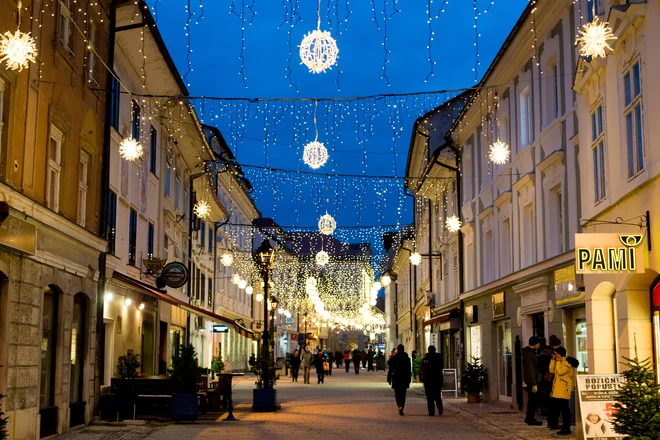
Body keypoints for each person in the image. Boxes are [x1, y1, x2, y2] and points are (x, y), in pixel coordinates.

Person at [548, 347, 578, 436]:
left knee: (565, 409)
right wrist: (553, 360)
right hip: (557, 388)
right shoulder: (558, 361)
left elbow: (561, 372)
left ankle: (566, 427)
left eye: (556, 354)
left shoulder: (567, 362)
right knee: (559, 409)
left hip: (564, 389)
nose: (555, 356)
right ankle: (562, 426)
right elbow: (551, 370)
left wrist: (557, 362)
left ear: (561, 354)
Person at [539, 335, 562, 428]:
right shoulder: (553, 355)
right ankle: (554, 423)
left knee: (549, 402)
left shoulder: (543, 352)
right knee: (555, 403)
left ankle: (550, 422)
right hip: (553, 381)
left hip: (545, 381)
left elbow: (539, 367)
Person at [522, 336, 542, 425]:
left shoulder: (529, 352)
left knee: (533, 400)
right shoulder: (529, 354)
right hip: (532, 381)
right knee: (533, 400)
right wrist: (534, 383)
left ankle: (529, 417)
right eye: (538, 343)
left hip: (531, 380)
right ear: (535, 344)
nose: (539, 345)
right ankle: (530, 418)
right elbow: (530, 369)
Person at [387, 344, 412, 416]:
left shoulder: (394, 358)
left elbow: (390, 369)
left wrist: (389, 378)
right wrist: (409, 379)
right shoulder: (406, 358)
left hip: (396, 378)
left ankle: (399, 406)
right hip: (404, 378)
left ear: (397, 350)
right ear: (403, 349)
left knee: (397, 394)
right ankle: (402, 407)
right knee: (403, 394)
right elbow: (409, 369)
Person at [421, 345, 443, 416]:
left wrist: (423, 378)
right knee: (437, 395)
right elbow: (441, 367)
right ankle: (440, 408)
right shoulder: (439, 358)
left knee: (429, 397)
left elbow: (422, 369)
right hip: (437, 380)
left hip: (428, 380)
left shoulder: (425, 359)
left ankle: (431, 411)